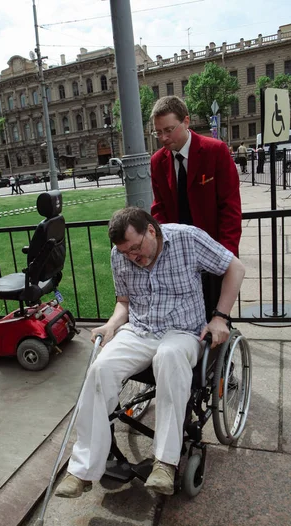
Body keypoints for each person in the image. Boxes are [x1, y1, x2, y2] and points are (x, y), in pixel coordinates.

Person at [55, 207, 245, 498]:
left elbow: (235, 268)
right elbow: (124, 302)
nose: (132, 257)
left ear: (152, 231)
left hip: (182, 332)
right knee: (100, 369)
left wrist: (220, 316)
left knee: (168, 358)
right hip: (140, 330)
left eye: (136, 248)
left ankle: (165, 464)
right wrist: (111, 325)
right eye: (125, 252)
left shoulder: (187, 239)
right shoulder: (119, 255)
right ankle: (82, 470)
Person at [150, 96, 242, 256]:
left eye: (168, 130)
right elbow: (159, 208)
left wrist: (226, 256)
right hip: (177, 255)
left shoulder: (215, 151)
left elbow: (230, 208)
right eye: (158, 132)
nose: (163, 138)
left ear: (186, 121)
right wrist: (166, 249)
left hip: (216, 250)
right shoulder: (157, 161)